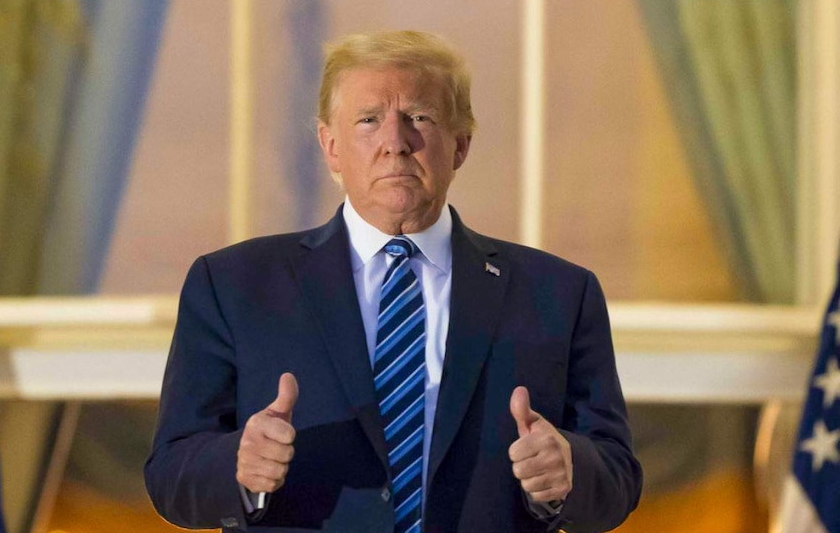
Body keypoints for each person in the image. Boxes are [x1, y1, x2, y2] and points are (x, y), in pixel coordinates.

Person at [145, 30, 642, 533]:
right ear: (330, 146)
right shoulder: (233, 286)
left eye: (419, 118)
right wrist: (238, 465)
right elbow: (170, 473)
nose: (394, 143)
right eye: (368, 120)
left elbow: (618, 474)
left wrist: (569, 471)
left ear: (461, 145)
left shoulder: (558, 293)